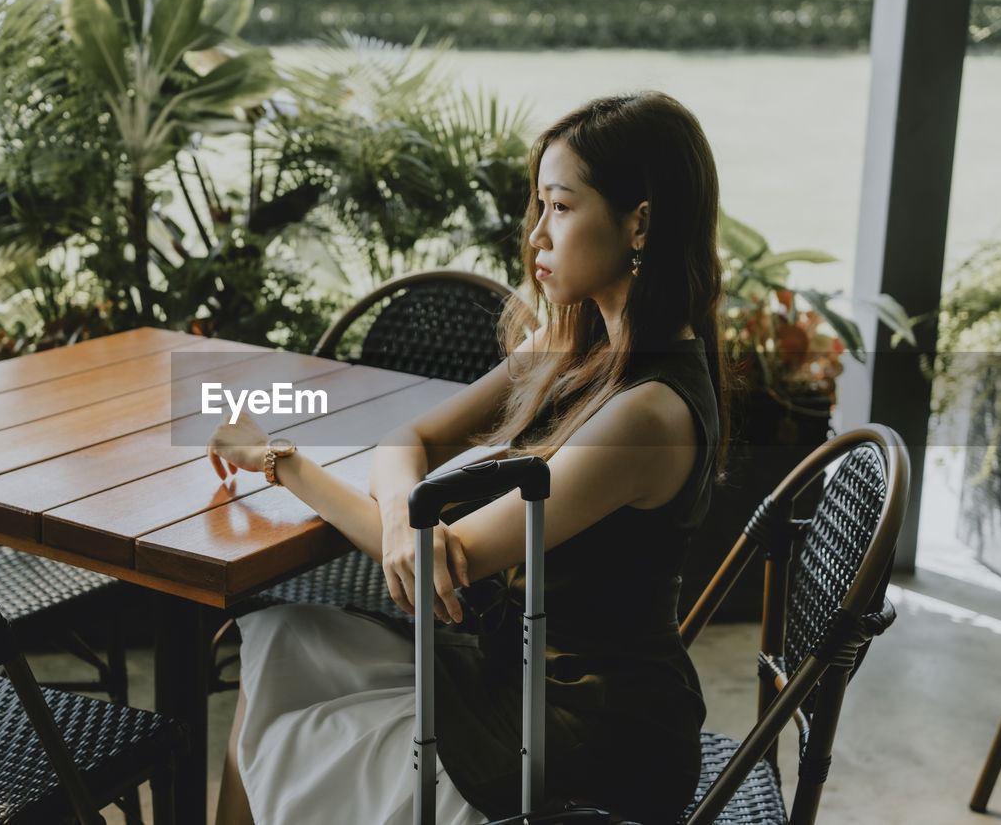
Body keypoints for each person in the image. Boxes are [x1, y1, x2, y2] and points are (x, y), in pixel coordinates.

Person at [205, 90, 732, 825]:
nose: (538, 235)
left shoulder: (647, 412)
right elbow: (409, 441)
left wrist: (281, 461)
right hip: (508, 672)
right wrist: (399, 519)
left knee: (281, 726)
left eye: (562, 207)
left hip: (586, 739)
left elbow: (447, 557)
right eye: (539, 206)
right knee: (287, 645)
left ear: (638, 220)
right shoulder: (571, 343)